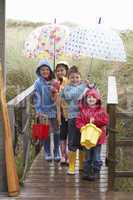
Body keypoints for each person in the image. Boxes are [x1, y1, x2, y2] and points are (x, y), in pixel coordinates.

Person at [76, 88, 109, 180]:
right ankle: (87, 172)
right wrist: (83, 126)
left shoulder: (101, 110)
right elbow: (78, 121)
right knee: (87, 156)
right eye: (89, 97)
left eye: (93, 97)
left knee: (96, 156)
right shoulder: (83, 110)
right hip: (86, 138)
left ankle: (96, 172)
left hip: (98, 138)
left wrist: (95, 121)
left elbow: (105, 121)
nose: (91, 99)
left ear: (97, 99)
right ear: (86, 99)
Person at [61, 66, 88, 174]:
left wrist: (87, 86)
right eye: (72, 77)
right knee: (72, 140)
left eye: (77, 77)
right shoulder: (67, 88)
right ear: (68, 78)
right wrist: (62, 91)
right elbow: (69, 97)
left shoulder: (84, 86)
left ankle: (81, 164)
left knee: (83, 140)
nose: (75, 79)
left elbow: (93, 94)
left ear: (80, 78)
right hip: (72, 117)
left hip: (84, 117)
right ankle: (72, 166)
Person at [34, 59, 60, 162]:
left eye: (47, 69)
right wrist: (38, 109)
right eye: (42, 70)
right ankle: (47, 151)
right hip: (43, 111)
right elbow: (37, 97)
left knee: (57, 131)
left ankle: (56, 151)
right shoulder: (38, 83)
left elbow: (59, 95)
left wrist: (55, 90)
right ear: (39, 71)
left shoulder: (55, 81)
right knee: (46, 132)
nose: (45, 71)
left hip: (55, 109)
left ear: (50, 70)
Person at [55, 61, 69, 164]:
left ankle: (68, 156)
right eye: (58, 70)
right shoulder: (55, 83)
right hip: (60, 113)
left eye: (62, 70)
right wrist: (56, 92)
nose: (60, 72)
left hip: (70, 113)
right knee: (62, 135)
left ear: (66, 71)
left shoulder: (70, 81)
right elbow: (53, 98)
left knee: (70, 135)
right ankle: (63, 155)